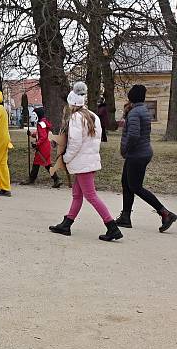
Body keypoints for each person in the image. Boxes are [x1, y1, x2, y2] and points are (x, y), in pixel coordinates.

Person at [49, 86, 122, 241]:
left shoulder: (76, 118)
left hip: (82, 162)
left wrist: (66, 158)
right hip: (90, 160)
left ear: (72, 103)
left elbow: (75, 142)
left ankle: (112, 226)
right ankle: (67, 224)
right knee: (77, 194)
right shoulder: (93, 116)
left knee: (91, 195)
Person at [114, 84, 177, 232]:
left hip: (137, 154)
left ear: (132, 97)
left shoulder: (135, 112)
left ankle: (165, 213)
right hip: (140, 152)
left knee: (135, 186)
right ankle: (125, 217)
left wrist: (125, 149)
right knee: (126, 182)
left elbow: (134, 136)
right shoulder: (141, 109)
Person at [20, 107, 62, 187]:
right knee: (41, 163)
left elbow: (43, 136)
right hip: (45, 146)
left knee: (44, 164)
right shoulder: (44, 122)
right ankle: (33, 178)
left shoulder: (40, 124)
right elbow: (39, 134)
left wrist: (37, 143)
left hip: (42, 147)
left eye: (36, 114)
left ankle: (56, 179)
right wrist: (31, 134)